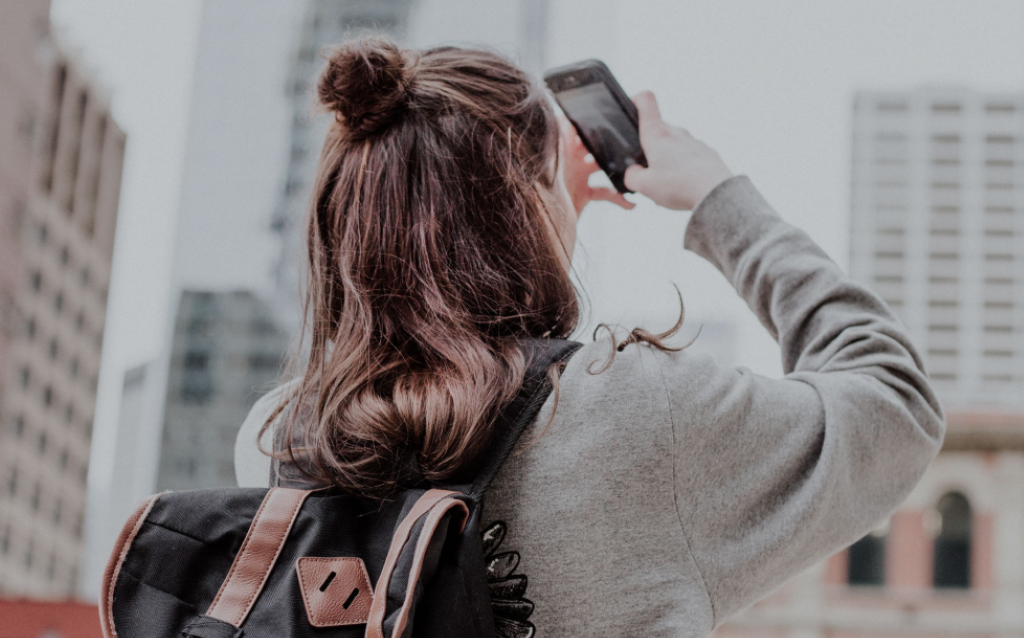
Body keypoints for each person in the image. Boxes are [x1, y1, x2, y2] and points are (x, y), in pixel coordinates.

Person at [235, 38, 944, 637]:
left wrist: (537, 209)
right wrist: (716, 196)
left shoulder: (280, 440)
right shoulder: (638, 415)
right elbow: (894, 403)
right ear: (523, 208)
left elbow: (438, 364)